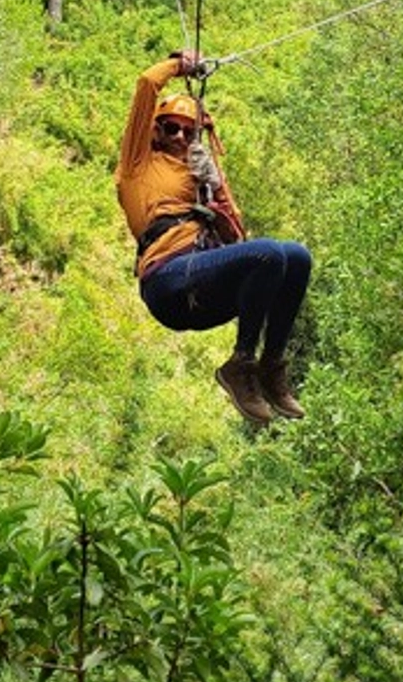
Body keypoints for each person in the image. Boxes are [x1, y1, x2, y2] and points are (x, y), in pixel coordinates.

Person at [115, 51, 312, 425]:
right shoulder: (137, 164)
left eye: (188, 132)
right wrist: (180, 65)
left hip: (206, 285)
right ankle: (241, 364)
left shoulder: (199, 171)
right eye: (170, 127)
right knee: (269, 254)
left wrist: (215, 187)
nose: (179, 136)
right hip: (167, 278)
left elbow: (236, 237)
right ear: (156, 129)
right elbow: (145, 86)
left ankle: (270, 365)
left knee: (296, 257)